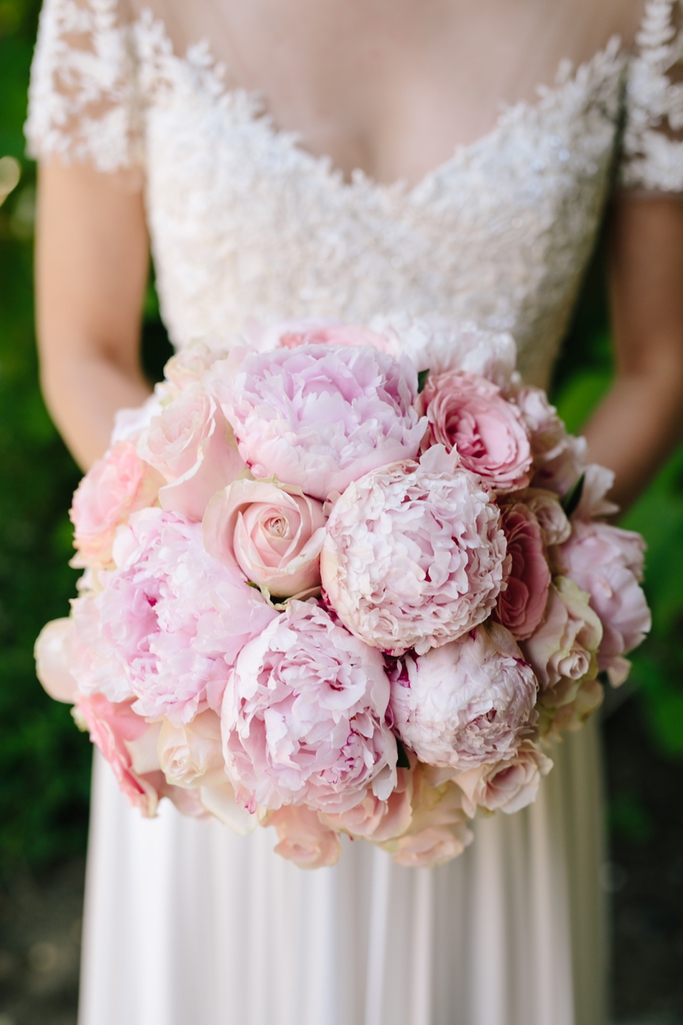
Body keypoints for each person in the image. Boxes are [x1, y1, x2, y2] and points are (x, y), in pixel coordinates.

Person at [26, 0, 683, 1023]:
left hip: (490, 698)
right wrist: (222, 578)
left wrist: (513, 581)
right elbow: (83, 345)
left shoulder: (644, 12)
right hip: (213, 702)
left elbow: (661, 359)